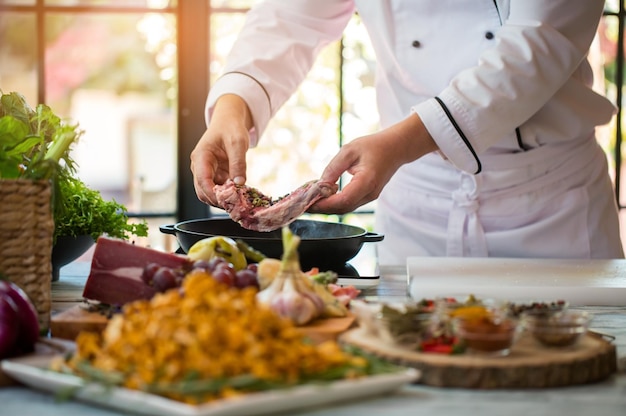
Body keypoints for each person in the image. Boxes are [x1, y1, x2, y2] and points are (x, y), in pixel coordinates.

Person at [191, 0, 625, 264]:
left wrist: (403, 142)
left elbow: (541, 42)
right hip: (417, 211)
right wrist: (234, 103)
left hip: (550, 212)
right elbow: (292, 17)